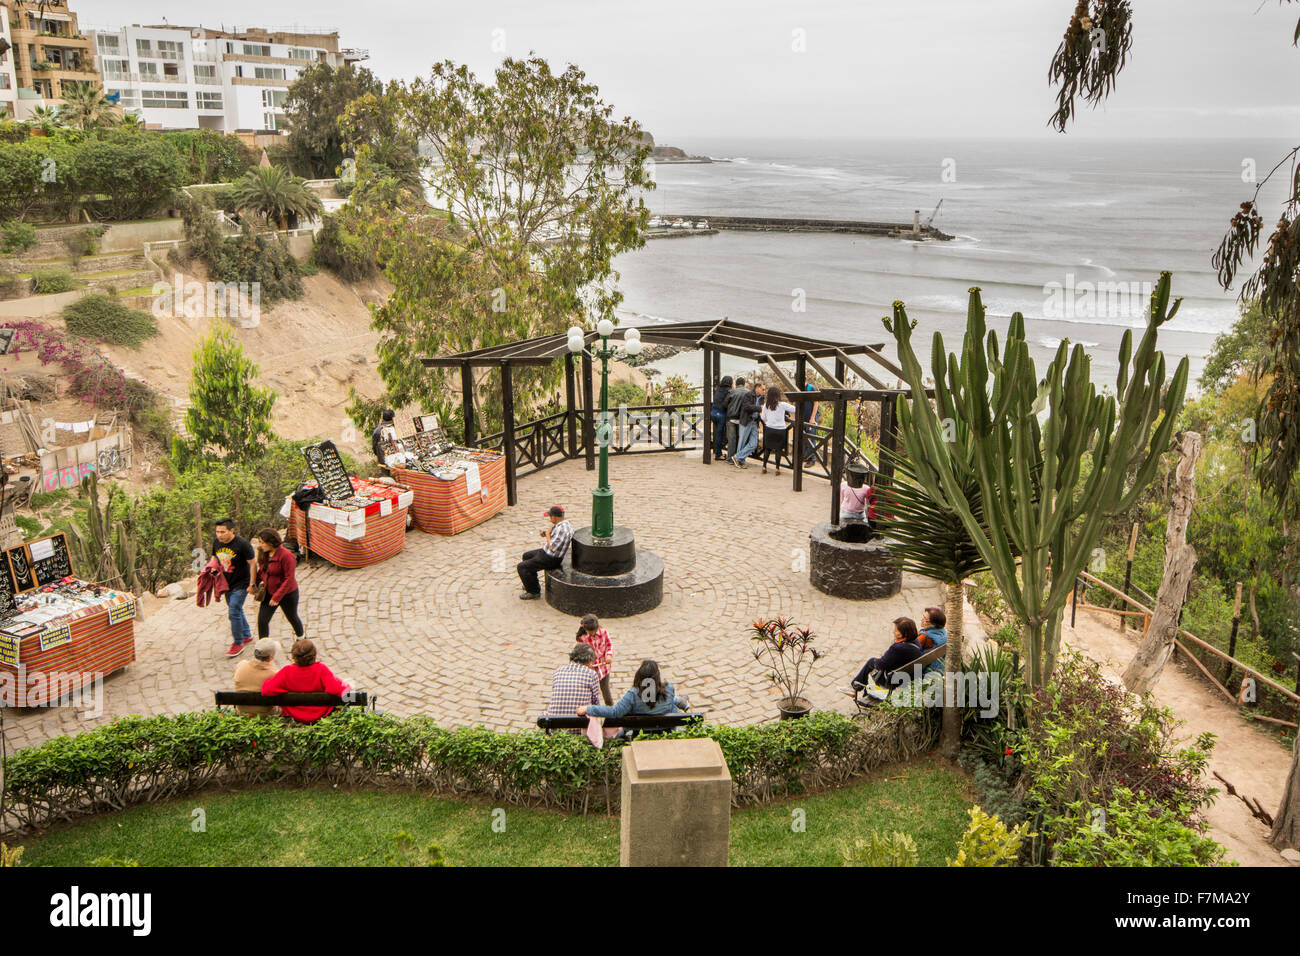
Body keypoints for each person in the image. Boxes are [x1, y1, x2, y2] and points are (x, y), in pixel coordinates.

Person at [260, 638, 350, 723]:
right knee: (348, 701)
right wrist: (345, 685)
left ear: (294, 657)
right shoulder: (321, 669)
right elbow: (334, 689)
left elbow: (266, 690)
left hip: (295, 715)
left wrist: (283, 690)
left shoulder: (287, 672)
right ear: (314, 655)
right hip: (321, 714)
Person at [577, 659, 689, 720]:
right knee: (671, 704)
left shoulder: (633, 695)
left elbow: (615, 711)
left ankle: (680, 702)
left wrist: (589, 708)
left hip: (640, 733)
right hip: (665, 731)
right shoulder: (669, 689)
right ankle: (681, 702)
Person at [212, 518, 257, 657]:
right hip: (226, 583)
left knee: (233, 611)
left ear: (232, 531)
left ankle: (238, 643)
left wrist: (252, 584)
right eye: (217, 532)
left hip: (241, 583)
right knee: (236, 609)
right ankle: (246, 635)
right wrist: (210, 569)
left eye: (223, 532)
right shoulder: (216, 542)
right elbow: (214, 557)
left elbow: (253, 564)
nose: (219, 535)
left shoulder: (242, 544)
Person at [254, 528, 305, 639]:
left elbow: (289, 578)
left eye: (263, 542)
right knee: (262, 620)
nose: (261, 545)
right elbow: (262, 571)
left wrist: (277, 597)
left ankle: (301, 638)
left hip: (287, 594)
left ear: (271, 543)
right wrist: (254, 584)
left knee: (292, 617)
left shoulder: (286, 556)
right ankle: (263, 647)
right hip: (269, 592)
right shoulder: (264, 553)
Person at [851, 617, 923, 691]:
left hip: (893, 681)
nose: (893, 632)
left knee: (872, 661)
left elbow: (881, 665)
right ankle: (856, 686)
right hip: (908, 676)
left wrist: (879, 660)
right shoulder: (916, 641)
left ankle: (855, 687)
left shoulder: (897, 648)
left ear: (903, 634)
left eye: (896, 630)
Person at [518, 505, 573, 600]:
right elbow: (555, 539)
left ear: (554, 517)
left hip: (550, 558)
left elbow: (552, 548)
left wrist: (547, 535)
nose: (549, 519)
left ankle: (533, 591)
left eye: (550, 516)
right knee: (526, 556)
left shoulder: (562, 530)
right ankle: (530, 583)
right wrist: (548, 534)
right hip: (545, 552)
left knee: (522, 567)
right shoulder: (563, 524)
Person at [546, 643, 601, 720]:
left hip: (555, 724)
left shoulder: (558, 671)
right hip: (581, 725)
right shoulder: (591, 674)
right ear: (589, 660)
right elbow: (595, 702)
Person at [232, 638, 280, 715]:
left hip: (242, 713)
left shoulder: (241, 665)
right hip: (265, 715)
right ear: (271, 657)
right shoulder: (273, 674)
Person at [757, 385, 796, 475]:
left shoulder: (766, 405)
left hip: (769, 429)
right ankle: (777, 468)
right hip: (780, 430)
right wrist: (789, 403)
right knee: (778, 450)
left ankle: (764, 466)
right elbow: (795, 410)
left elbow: (763, 418)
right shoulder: (782, 405)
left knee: (767, 449)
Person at [576, 613, 614, 705]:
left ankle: (611, 712)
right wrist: (586, 663)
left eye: (594, 631)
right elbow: (580, 654)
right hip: (591, 670)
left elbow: (609, 644)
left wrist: (609, 655)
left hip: (603, 668)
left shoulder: (603, 632)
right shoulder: (582, 638)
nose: (592, 634)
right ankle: (595, 712)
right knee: (593, 694)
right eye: (590, 632)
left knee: (606, 691)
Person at [732, 379, 762, 468]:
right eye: (762, 389)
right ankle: (740, 461)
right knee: (742, 442)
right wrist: (758, 408)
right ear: (757, 388)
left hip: (755, 422)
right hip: (746, 421)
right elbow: (746, 407)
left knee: (754, 444)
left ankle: (737, 457)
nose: (764, 391)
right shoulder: (748, 395)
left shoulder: (762, 398)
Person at [724, 376, 749, 461]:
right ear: (744, 384)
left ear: (736, 384)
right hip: (742, 419)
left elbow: (724, 404)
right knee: (741, 439)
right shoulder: (748, 393)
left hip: (731, 418)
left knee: (732, 439)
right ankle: (739, 458)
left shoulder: (731, 392)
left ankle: (730, 458)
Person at [918, 606, 949, 675]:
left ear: (933, 624)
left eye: (924, 618)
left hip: (924, 673)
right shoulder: (943, 633)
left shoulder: (925, 638)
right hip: (940, 670)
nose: (921, 619)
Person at [710, 375, 733, 461]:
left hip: (713, 413)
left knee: (719, 434)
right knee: (721, 435)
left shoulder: (718, 389)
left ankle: (718, 451)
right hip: (721, 414)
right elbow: (727, 403)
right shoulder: (728, 391)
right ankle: (718, 454)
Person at [800, 383, 818, 462]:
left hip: (811, 418)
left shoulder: (811, 388)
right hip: (803, 418)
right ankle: (806, 456)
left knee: (811, 438)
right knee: (804, 438)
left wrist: (812, 418)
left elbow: (816, 403)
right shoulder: (799, 388)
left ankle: (812, 459)